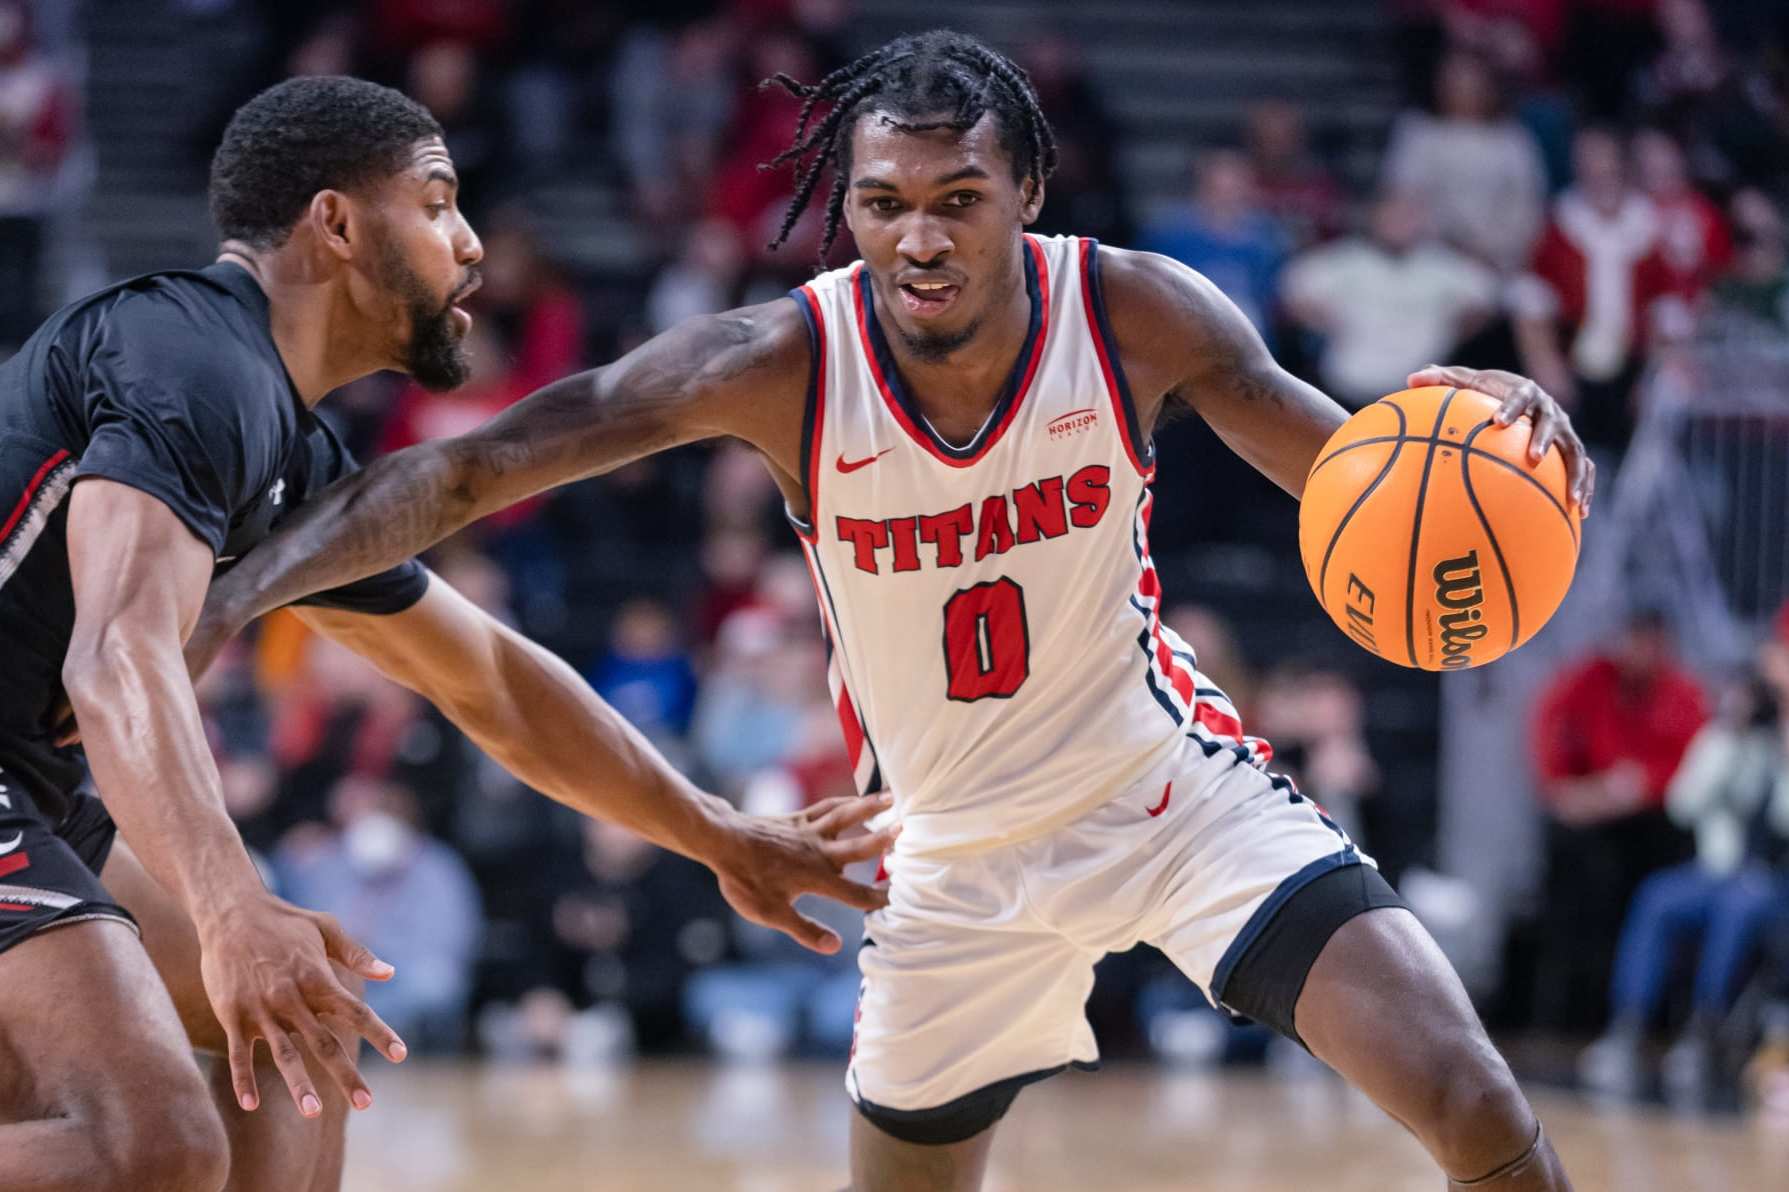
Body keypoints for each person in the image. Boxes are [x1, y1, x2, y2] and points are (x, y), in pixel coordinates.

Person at [195, 33, 1596, 1191]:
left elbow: (1350, 478)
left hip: (1168, 797)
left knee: (1468, 1098)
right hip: (947, 862)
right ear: (848, 201)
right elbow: (475, 464)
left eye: (957, 200)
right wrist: (226, 588)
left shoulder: (1136, 313)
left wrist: (1475, 452)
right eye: (882, 203)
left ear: (1028, 189)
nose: (915, 238)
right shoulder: (783, 361)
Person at [0, 76, 894, 1192]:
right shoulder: (192, 361)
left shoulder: (287, 456)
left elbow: (491, 683)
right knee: (154, 1145)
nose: (469, 244)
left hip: (29, 792)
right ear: (334, 224)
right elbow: (113, 656)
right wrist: (229, 905)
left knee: (296, 1032)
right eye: (436, 203)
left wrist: (718, 834)